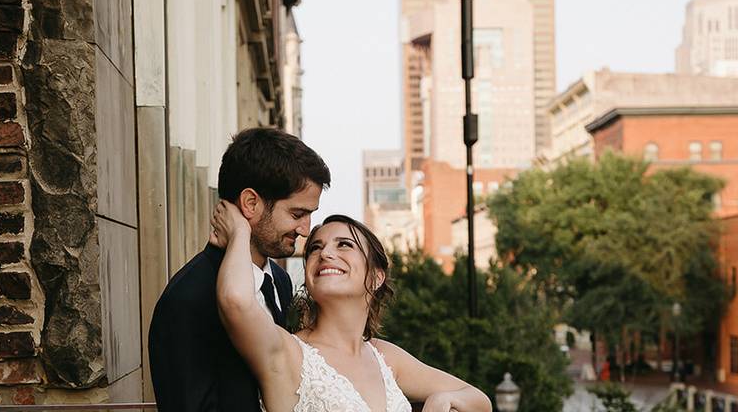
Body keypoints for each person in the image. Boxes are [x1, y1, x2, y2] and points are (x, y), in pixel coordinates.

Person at [211, 205, 492, 412]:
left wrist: (444, 399)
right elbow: (235, 301)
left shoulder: (386, 357)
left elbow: (480, 400)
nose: (326, 254)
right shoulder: (288, 352)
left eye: (344, 245)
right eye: (315, 248)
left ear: (376, 276)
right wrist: (240, 232)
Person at [148, 127, 331, 412]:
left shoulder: (279, 281)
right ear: (250, 203)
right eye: (297, 214)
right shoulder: (187, 298)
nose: (305, 230)